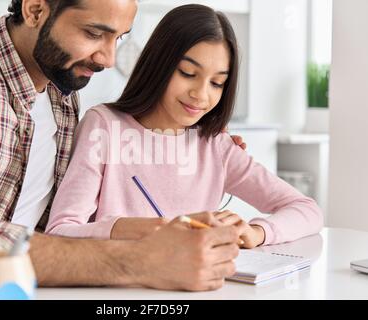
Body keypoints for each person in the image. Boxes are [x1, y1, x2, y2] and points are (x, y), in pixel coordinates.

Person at [0, 0, 246, 291]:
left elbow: (67, 219)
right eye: (93, 33)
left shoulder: (62, 92)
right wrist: (140, 260)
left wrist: (191, 139)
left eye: (119, 38)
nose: (107, 59)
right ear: (35, 10)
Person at [46, 5, 324, 248]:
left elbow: (306, 210)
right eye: (188, 74)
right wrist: (129, 229)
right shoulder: (104, 128)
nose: (201, 95)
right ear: (160, 65)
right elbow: (60, 232)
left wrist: (258, 232)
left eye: (217, 83)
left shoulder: (216, 146)